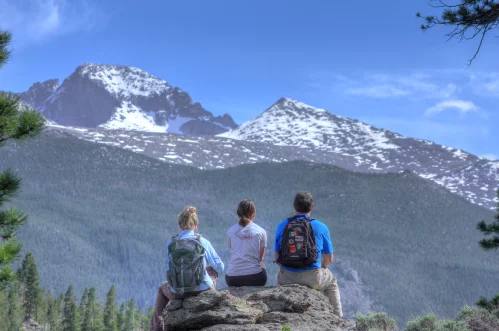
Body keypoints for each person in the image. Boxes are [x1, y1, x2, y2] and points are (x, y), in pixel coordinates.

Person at [150, 206, 224, 331]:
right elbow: (220, 267)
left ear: (179, 224)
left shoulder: (171, 243)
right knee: (212, 270)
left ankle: (157, 328)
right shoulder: (203, 242)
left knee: (162, 289)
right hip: (202, 289)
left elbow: (168, 269)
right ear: (196, 225)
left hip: (178, 291)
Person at [274, 191, 343, 318]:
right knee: (332, 280)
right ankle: (338, 319)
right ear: (312, 207)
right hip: (313, 277)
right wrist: (322, 268)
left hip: (287, 278)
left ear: (294, 207)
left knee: (279, 276)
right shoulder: (321, 227)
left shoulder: (283, 225)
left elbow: (277, 258)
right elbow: (329, 259)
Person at [225, 199, 268, 287]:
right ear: (253, 213)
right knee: (261, 263)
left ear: (238, 213)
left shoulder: (230, 231)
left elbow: (232, 249)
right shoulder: (261, 231)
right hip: (255, 279)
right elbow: (261, 257)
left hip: (232, 279)